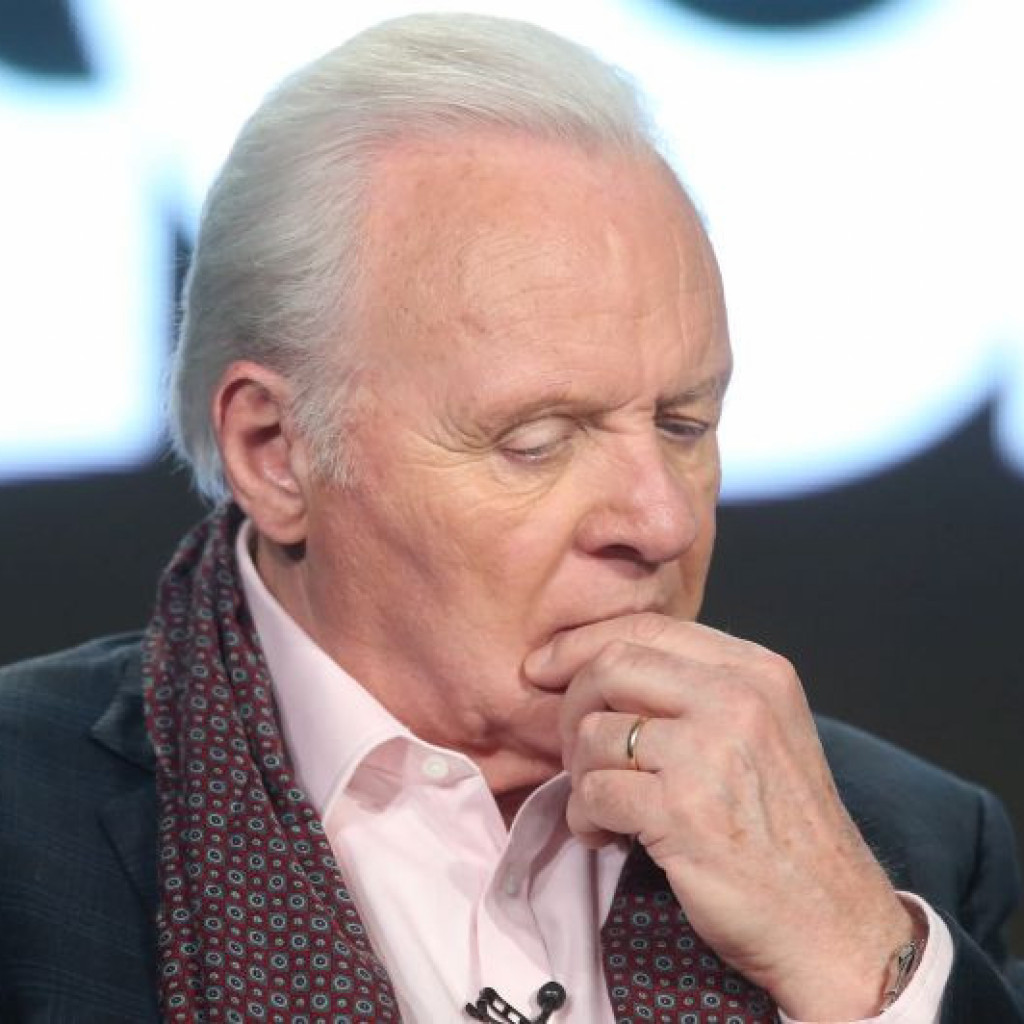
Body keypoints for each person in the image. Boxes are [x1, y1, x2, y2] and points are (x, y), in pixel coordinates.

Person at [0, 12, 1021, 1024]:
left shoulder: (907, 846)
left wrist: (853, 955)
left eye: (683, 425)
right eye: (537, 440)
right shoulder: (23, 823)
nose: (661, 521)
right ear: (275, 451)